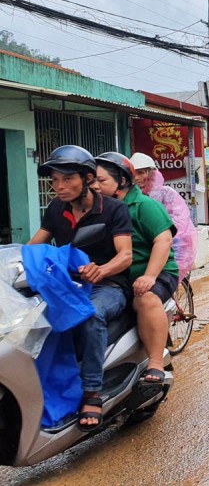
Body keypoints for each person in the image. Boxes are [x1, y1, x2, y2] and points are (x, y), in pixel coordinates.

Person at [28, 145, 133, 432]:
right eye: (54, 181)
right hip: (67, 285)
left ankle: (91, 393)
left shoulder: (113, 209)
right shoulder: (56, 209)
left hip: (108, 286)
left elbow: (125, 255)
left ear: (87, 178)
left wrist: (102, 269)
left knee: (89, 315)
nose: (59, 187)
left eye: (67, 179)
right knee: (30, 321)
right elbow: (33, 246)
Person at [93, 152, 179, 390]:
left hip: (156, 271)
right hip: (115, 277)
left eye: (101, 181)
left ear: (121, 181)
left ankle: (155, 362)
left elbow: (163, 241)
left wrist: (149, 276)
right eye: (93, 181)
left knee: (146, 298)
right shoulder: (97, 209)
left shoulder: (145, 206)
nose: (95, 186)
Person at [130, 152, 197, 281]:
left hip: (170, 244)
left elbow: (179, 222)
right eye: (134, 174)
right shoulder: (128, 196)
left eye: (141, 173)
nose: (137, 178)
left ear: (151, 173)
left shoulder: (166, 193)